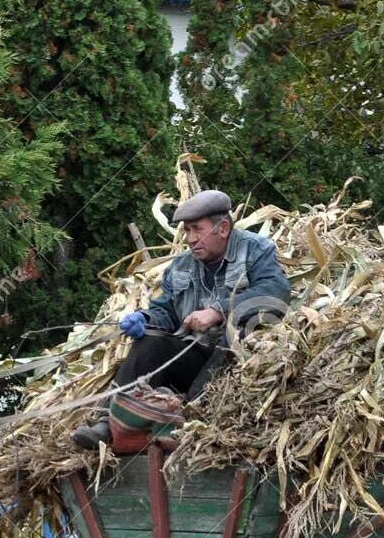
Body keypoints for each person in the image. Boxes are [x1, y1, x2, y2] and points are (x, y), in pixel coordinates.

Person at [71, 189, 291, 450]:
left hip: (233, 360)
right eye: (187, 231)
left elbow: (276, 292)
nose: (190, 238)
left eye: (197, 229)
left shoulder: (256, 250)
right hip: (191, 355)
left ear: (222, 228)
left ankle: (191, 425)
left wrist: (219, 311)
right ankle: (109, 423)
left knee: (231, 340)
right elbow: (165, 311)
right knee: (149, 344)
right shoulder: (181, 266)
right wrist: (145, 318)